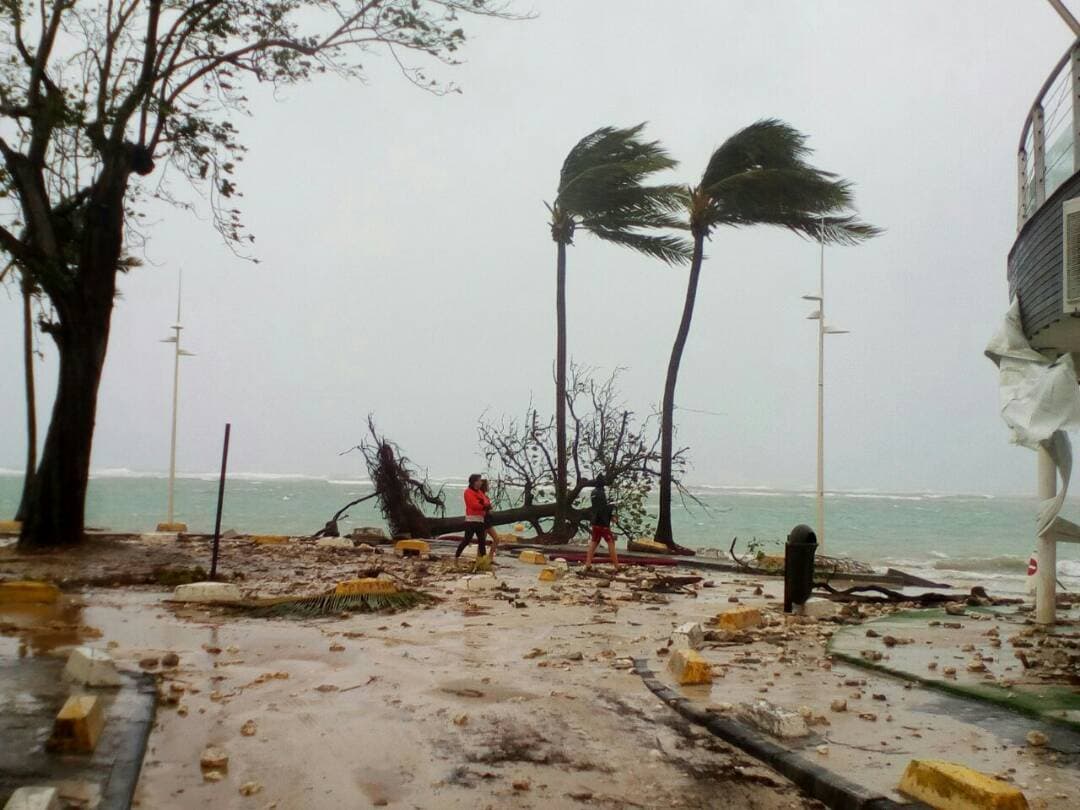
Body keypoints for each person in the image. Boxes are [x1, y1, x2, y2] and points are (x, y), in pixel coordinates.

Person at [585, 475, 619, 571]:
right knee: (611, 542)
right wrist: (611, 509)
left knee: (594, 542)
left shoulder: (593, 493)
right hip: (603, 523)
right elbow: (603, 508)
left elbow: (597, 507)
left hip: (595, 521)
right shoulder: (601, 493)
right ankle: (617, 566)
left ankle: (588, 564)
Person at [457, 473, 489, 562]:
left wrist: (484, 504)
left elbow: (486, 502)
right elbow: (474, 505)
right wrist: (483, 505)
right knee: (466, 540)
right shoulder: (468, 492)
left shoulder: (480, 492)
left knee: (482, 542)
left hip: (480, 520)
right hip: (471, 520)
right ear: (474, 482)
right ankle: (456, 557)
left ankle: (483, 562)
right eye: (479, 481)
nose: (481, 483)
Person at [479, 478, 500, 560]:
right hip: (483, 521)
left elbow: (489, 508)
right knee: (482, 541)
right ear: (484, 486)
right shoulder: (480, 496)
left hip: (488, 521)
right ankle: (479, 558)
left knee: (496, 539)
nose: (489, 487)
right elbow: (483, 508)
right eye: (487, 485)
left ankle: (490, 557)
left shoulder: (486, 496)